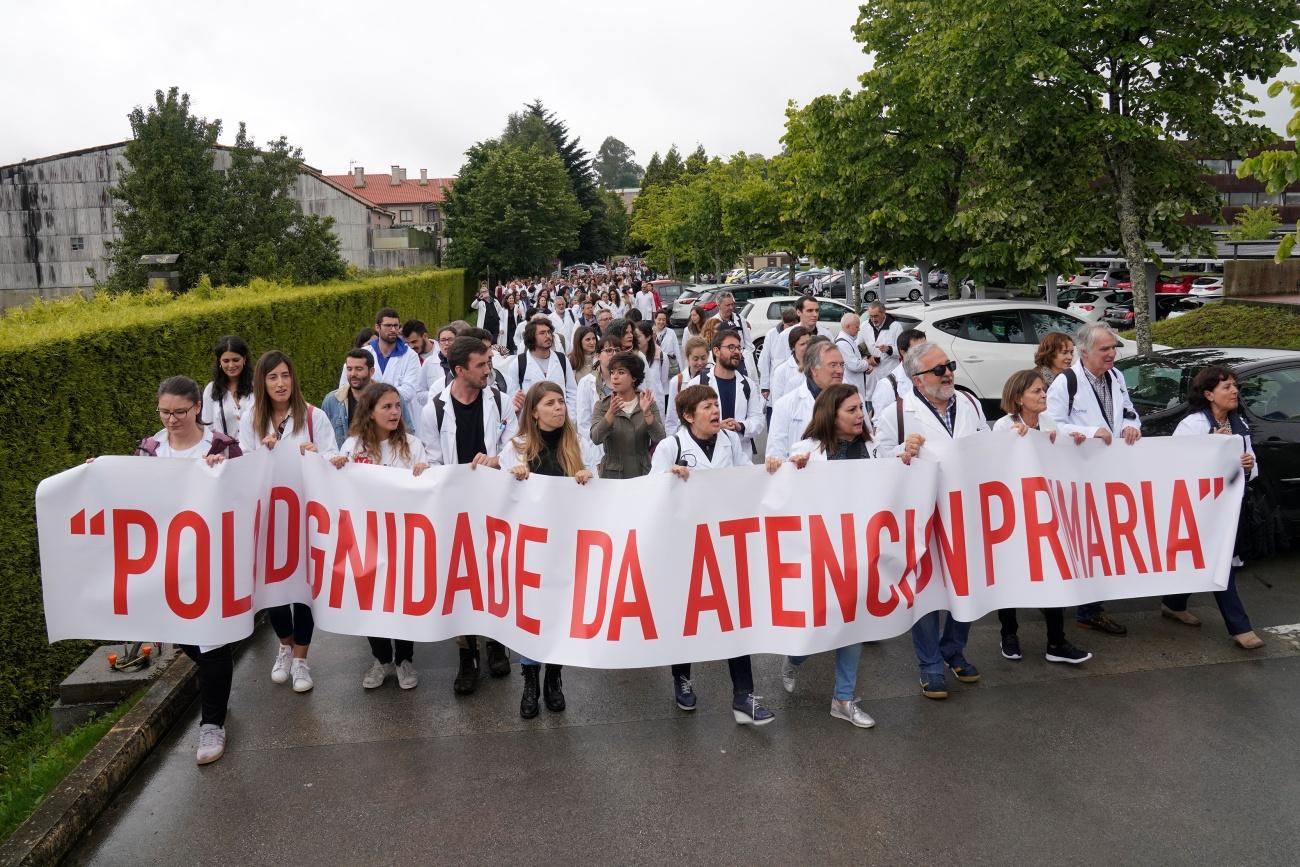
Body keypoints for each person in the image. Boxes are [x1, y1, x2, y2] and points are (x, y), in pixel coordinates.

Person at [766, 383, 904, 728]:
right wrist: (787, 468)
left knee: (853, 625)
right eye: (852, 410)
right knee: (817, 624)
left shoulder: (874, 449)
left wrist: (910, 455)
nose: (860, 415)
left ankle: (843, 698)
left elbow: (897, 479)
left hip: (862, 552)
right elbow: (781, 492)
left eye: (861, 408)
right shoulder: (807, 452)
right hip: (822, 552)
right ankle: (795, 658)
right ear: (832, 415)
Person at [123, 376, 241, 764]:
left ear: (196, 409)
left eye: (179, 412)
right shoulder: (150, 450)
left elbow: (244, 497)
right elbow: (133, 497)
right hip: (169, 562)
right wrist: (99, 475)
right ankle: (217, 694)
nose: (171, 419)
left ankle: (213, 723)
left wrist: (221, 474)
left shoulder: (223, 446)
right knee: (185, 636)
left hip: (213, 561)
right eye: (164, 412)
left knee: (211, 640)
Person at [650, 384, 772, 725]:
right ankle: (682, 677)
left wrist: (771, 470)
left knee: (735, 616)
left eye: (716, 404)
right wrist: (669, 479)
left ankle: (744, 697)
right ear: (689, 416)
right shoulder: (670, 446)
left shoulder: (731, 441)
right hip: (685, 546)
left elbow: (747, 475)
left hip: (724, 543)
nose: (716, 410)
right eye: (707, 406)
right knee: (687, 617)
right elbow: (649, 490)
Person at [873, 342, 987, 699]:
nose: (948, 373)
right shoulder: (898, 413)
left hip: (964, 511)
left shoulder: (969, 403)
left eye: (949, 365)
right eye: (939, 370)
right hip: (921, 516)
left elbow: (984, 447)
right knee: (925, 591)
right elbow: (878, 458)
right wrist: (901, 452)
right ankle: (931, 665)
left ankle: (954, 649)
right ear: (918, 379)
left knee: (965, 585)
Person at [420, 336, 519, 694]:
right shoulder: (435, 409)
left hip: (494, 504)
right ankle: (467, 654)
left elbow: (516, 442)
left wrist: (498, 460)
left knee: (494, 574)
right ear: (461, 369)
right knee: (461, 580)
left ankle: (496, 643)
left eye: (489, 364)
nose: (488, 370)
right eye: (482, 365)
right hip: (455, 508)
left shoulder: (499, 400)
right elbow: (432, 458)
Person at [239, 350, 339, 694]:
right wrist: (261, 452)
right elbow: (243, 464)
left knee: (304, 590)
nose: (280, 383)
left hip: (305, 515)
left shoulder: (314, 417)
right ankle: (284, 645)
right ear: (262, 383)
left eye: (285, 375)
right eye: (272, 377)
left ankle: (301, 659)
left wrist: (317, 455)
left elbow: (333, 460)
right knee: (276, 588)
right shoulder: (251, 419)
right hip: (270, 518)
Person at [329, 382, 430, 690]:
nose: (394, 412)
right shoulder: (353, 447)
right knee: (372, 601)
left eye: (397, 406)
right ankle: (381, 658)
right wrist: (334, 466)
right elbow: (337, 489)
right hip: (366, 538)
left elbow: (428, 488)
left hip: (402, 537)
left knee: (401, 599)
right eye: (386, 407)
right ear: (370, 412)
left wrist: (426, 471)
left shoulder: (412, 445)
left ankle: (404, 659)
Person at [502, 381, 595, 718]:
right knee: (531, 619)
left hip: (568, 546)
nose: (559, 409)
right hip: (530, 549)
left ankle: (554, 676)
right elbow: (499, 498)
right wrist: (512, 478)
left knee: (558, 616)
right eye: (551, 404)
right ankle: (530, 680)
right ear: (534, 412)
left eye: (561, 402)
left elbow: (602, 494)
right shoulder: (516, 448)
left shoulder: (579, 445)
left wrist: (588, 477)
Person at [1045, 322, 1141, 636]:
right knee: (1083, 544)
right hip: (1078, 476)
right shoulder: (1065, 383)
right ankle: (1082, 605)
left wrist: (1131, 425)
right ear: (1085, 352)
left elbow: (1128, 409)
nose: (1112, 354)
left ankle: (1091, 609)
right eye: (1105, 349)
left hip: (1110, 474)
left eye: (1113, 347)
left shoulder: (1116, 376)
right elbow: (1052, 427)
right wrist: (1090, 432)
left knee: (1103, 543)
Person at [1159, 365, 1264, 649]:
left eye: (1234, 386)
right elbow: (1175, 466)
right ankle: (1240, 627)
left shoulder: (1239, 424)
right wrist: (1211, 450)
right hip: (1197, 509)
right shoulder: (1193, 425)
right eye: (1227, 387)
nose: (1234, 391)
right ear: (1208, 394)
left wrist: (1246, 465)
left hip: (1228, 510)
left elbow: (1252, 469)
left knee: (1205, 559)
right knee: (1219, 564)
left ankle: (1173, 603)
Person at [991, 369, 1091, 665]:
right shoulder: (1003, 427)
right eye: (1036, 391)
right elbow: (994, 466)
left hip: (1047, 513)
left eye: (1043, 390)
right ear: (1019, 398)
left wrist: (1070, 442)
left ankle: (1056, 641)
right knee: (1009, 575)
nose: (1044, 395)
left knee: (1052, 571)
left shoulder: (1049, 424)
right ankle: (1009, 635)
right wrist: (1015, 443)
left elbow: (1063, 458)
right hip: (1013, 514)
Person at [766, 340, 846, 461]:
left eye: (842, 365)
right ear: (814, 369)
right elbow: (775, 458)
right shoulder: (785, 405)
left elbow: (866, 443)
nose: (840, 371)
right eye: (833, 365)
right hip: (803, 477)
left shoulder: (854, 399)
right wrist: (792, 461)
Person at [590, 351, 665, 478]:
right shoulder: (602, 405)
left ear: (634, 377)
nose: (614, 377)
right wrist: (610, 414)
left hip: (642, 472)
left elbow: (660, 438)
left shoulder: (647, 402)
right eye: (612, 372)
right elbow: (596, 438)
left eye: (621, 372)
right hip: (613, 474)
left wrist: (647, 414)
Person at [341, 308, 422, 416]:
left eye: (396, 325)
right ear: (377, 327)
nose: (393, 329)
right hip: (365, 416)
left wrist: (371, 392)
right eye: (388, 325)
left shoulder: (410, 356)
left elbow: (408, 392)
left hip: (398, 417)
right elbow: (345, 387)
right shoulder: (363, 354)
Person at [759, 297, 830, 396]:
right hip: (792, 391)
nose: (815, 314)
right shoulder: (786, 335)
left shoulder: (827, 334)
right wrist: (767, 387)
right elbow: (778, 366)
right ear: (798, 312)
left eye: (817, 310)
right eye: (810, 311)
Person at [505, 318, 577, 415]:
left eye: (549, 332)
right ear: (532, 337)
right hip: (531, 423)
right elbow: (513, 397)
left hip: (560, 419)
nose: (548, 336)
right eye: (542, 333)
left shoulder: (562, 359)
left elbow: (572, 391)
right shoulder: (519, 363)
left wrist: (570, 416)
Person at [576, 333, 622, 473]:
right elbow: (584, 425)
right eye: (608, 350)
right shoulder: (587, 383)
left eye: (617, 350)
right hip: (598, 451)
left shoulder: (629, 381)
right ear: (597, 355)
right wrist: (594, 457)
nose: (613, 354)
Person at [869, 328, 927, 435]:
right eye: (918, 350)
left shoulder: (930, 376)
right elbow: (881, 427)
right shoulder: (888, 385)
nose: (924, 354)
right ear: (903, 352)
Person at [202, 335, 254, 441]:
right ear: (219, 362)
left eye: (235, 360)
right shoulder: (211, 390)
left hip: (256, 452)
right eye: (226, 361)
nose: (231, 365)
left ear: (244, 359)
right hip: (225, 455)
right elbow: (207, 428)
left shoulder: (258, 386)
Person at [322, 349, 374, 446]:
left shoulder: (389, 398)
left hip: (378, 459)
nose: (353, 374)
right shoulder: (332, 400)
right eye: (349, 369)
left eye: (359, 369)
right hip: (342, 460)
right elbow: (322, 437)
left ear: (371, 371)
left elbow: (407, 434)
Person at [665, 336, 710, 434]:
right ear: (688, 358)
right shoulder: (677, 382)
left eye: (703, 358)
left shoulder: (713, 378)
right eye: (695, 359)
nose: (700, 363)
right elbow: (671, 419)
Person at [757, 308, 799, 402]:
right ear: (783, 322)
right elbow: (765, 361)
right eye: (788, 325)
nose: (790, 329)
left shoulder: (800, 336)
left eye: (793, 325)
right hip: (775, 383)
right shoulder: (772, 334)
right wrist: (765, 387)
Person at [768, 327, 816, 408]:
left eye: (808, 343)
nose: (807, 347)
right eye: (802, 344)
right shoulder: (781, 371)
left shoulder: (818, 366)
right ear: (793, 347)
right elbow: (777, 403)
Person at [862, 301, 903, 395]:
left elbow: (902, 350)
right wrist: (868, 358)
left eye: (875, 316)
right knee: (872, 400)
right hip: (871, 374)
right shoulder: (865, 326)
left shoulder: (896, 327)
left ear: (883, 313)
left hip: (889, 372)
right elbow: (859, 346)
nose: (873, 319)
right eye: (870, 316)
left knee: (888, 401)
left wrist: (889, 349)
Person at [711, 291, 753, 374]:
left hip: (740, 362)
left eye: (732, 304)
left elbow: (749, 344)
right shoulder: (713, 322)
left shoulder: (740, 319)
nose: (731, 307)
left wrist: (747, 360)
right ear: (719, 305)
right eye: (727, 305)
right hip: (723, 364)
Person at [835, 314, 872, 401]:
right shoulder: (843, 343)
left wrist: (865, 366)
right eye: (856, 327)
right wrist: (867, 362)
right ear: (848, 326)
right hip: (850, 386)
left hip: (855, 385)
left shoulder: (848, 340)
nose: (859, 329)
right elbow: (854, 365)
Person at [636, 320, 670, 407]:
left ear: (648, 337)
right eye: (634, 336)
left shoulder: (661, 356)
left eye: (638, 336)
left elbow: (663, 380)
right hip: (639, 404)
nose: (635, 339)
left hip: (657, 403)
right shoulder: (633, 357)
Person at [652, 309, 681, 374]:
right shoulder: (650, 333)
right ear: (655, 319)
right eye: (659, 319)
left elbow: (677, 351)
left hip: (669, 365)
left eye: (664, 320)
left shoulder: (671, 332)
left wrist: (681, 369)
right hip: (655, 365)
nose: (661, 322)